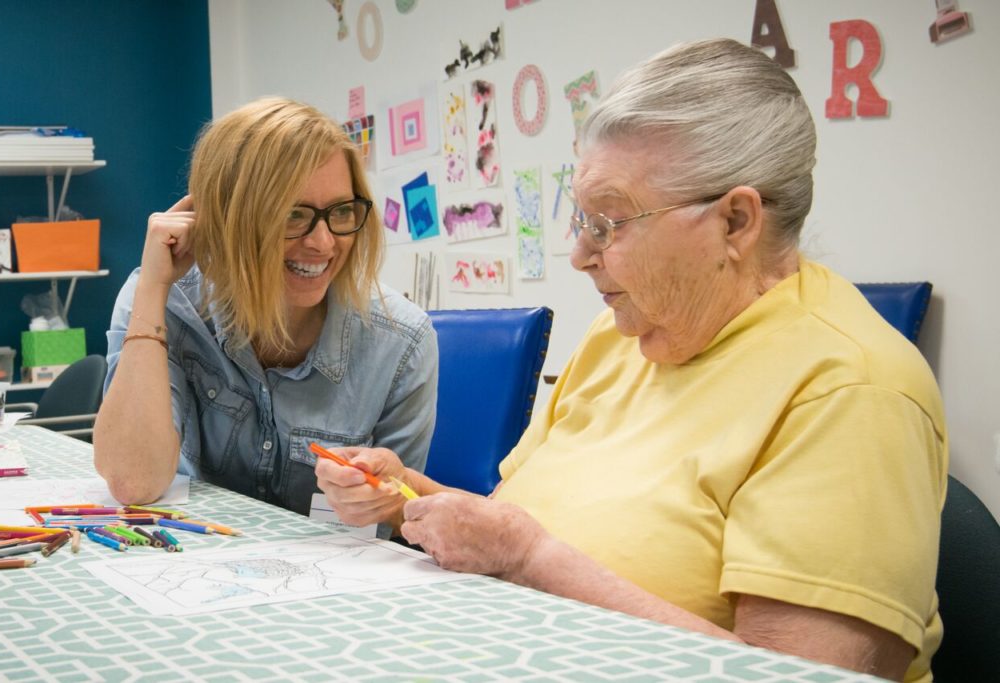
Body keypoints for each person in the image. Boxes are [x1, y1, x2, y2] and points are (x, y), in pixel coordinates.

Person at [317, 39, 947, 682]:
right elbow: (515, 526)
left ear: (735, 222)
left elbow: (795, 676)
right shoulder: (619, 336)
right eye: (580, 219)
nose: (580, 254)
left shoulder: (851, 390)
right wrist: (402, 493)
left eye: (608, 223)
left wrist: (527, 559)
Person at [94, 97, 438, 523]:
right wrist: (152, 290)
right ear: (226, 219)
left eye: (341, 211)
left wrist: (387, 503)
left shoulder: (401, 342)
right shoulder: (165, 303)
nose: (324, 243)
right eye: (293, 215)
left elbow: (404, 521)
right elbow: (133, 482)